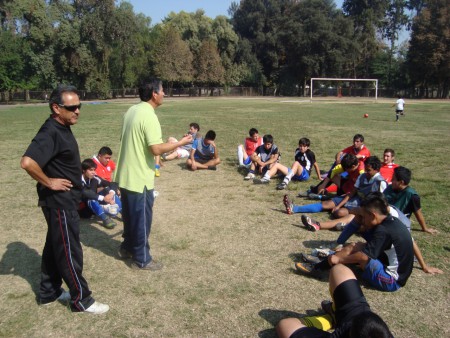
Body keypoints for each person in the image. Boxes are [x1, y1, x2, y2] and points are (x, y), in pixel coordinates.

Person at [20, 84, 109, 314]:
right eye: (72, 107)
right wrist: (49, 182)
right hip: (59, 203)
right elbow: (28, 162)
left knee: (54, 247)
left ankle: (49, 292)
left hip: (65, 201)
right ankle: (82, 300)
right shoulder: (50, 131)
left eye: (79, 106)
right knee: (69, 251)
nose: (77, 111)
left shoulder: (62, 126)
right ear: (56, 108)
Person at [114, 79, 193, 270]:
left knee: (130, 217)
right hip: (139, 178)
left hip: (125, 175)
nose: (164, 93)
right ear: (153, 94)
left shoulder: (131, 111)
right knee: (142, 220)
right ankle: (142, 259)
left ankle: (126, 248)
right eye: (162, 90)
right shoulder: (149, 115)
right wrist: (180, 143)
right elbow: (156, 149)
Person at [296, 193, 414, 292]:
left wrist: (340, 259)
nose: (362, 220)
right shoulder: (393, 221)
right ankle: (323, 263)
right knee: (355, 246)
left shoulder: (383, 230)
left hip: (392, 281)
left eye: (363, 216)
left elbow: (363, 257)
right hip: (394, 271)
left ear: (372, 215)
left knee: (359, 254)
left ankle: (319, 267)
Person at [276, 264, 392, 338]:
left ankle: (331, 319)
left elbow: (285, 325)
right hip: (359, 320)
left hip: (350, 328)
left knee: (285, 325)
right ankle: (335, 314)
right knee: (339, 270)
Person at [283, 154, 360, 217]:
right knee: (326, 203)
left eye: (346, 170)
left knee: (333, 208)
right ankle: (295, 208)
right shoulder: (350, 166)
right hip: (348, 192)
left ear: (353, 166)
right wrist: (323, 184)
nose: (346, 171)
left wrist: (338, 206)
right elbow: (333, 172)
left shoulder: (362, 173)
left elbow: (352, 193)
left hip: (354, 197)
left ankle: (323, 197)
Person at [384, 166, 438, 234]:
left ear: (401, 182)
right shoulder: (389, 188)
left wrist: (425, 228)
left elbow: (418, 213)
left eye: (394, 179)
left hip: (396, 223)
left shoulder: (412, 196)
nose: (391, 180)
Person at [79, 158, 121, 229]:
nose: (94, 172)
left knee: (108, 189)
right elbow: (85, 192)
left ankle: (124, 213)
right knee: (91, 197)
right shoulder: (77, 180)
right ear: (83, 170)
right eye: (91, 170)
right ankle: (105, 218)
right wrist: (103, 198)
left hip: (93, 204)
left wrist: (111, 193)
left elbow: (112, 184)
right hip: (82, 208)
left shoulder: (94, 178)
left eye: (94, 170)